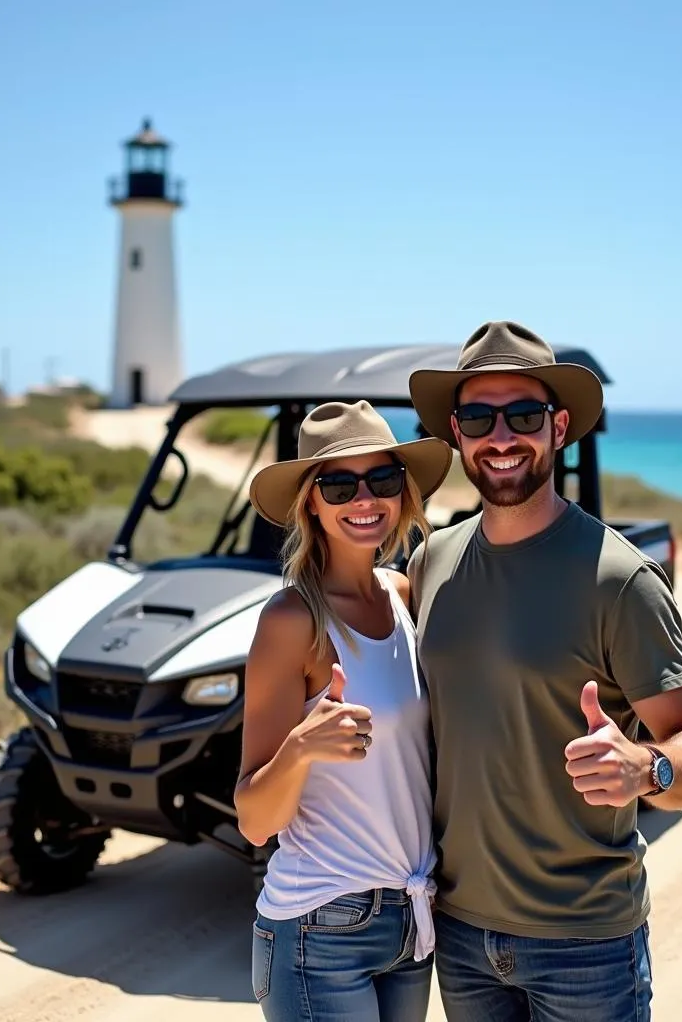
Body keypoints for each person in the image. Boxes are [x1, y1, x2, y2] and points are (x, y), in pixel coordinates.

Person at [405, 321, 682, 1022]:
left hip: (585, 945)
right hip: (459, 934)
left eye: (523, 414)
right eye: (479, 418)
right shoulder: (431, 564)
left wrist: (647, 771)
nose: (502, 437)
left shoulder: (619, 578)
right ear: (456, 433)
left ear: (559, 426)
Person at [235, 399, 453, 1022]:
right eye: (338, 484)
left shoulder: (405, 594)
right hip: (320, 925)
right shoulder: (292, 620)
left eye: (381, 479)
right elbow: (254, 819)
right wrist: (301, 747)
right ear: (310, 502)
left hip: (411, 920)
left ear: (403, 493)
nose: (364, 499)